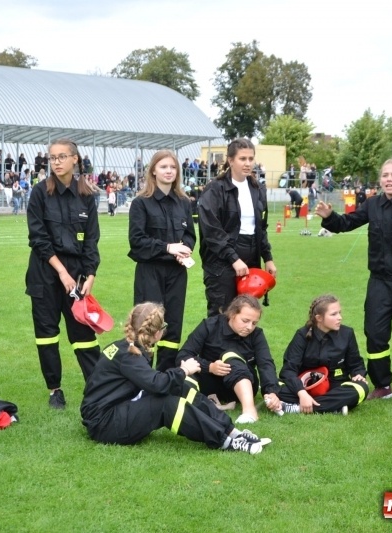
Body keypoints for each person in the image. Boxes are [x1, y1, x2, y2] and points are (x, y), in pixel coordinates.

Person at [315, 159, 392, 410]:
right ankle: (383, 385)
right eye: (385, 175)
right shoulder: (372, 205)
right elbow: (347, 223)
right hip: (379, 282)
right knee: (375, 334)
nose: (389, 180)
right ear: (380, 180)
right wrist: (330, 217)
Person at [81, 302, 266, 455]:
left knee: (180, 387)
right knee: (167, 403)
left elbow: (156, 383)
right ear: (158, 332)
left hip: (114, 410)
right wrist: (183, 370)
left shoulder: (129, 347)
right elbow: (157, 384)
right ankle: (225, 441)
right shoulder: (130, 354)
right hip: (103, 423)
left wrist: (180, 376)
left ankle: (232, 431)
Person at [26, 138, 102, 409]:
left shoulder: (87, 196)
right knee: (47, 334)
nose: (56, 162)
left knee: (83, 334)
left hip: (78, 278)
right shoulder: (39, 193)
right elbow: (38, 238)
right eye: (52, 157)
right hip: (45, 275)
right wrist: (61, 272)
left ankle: (97, 386)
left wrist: (90, 276)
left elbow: (91, 241)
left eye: (62, 156)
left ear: (75, 159)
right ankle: (54, 391)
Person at [128, 150, 195, 371]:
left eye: (173, 167)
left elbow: (190, 235)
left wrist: (185, 249)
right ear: (154, 171)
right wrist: (167, 247)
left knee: (172, 325)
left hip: (176, 272)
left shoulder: (184, 203)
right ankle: (143, 377)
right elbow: (137, 241)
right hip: (150, 271)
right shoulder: (141, 202)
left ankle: (166, 376)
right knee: (147, 324)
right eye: (164, 167)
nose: (169, 171)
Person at [198, 138, 276, 317]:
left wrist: (268, 258)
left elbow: (261, 228)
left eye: (251, 158)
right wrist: (233, 258)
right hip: (221, 262)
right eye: (242, 159)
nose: (248, 163)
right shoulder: (214, 190)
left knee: (246, 315)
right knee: (222, 316)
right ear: (231, 160)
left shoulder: (258, 190)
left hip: (251, 258)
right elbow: (212, 231)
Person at [176, 295, 283, 424]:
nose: (250, 327)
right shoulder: (210, 325)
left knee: (230, 355)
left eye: (254, 323)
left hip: (239, 387)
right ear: (232, 314)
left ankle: (249, 411)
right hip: (209, 383)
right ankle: (197, 406)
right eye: (245, 320)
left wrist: (271, 392)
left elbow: (266, 364)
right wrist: (209, 367)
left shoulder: (257, 335)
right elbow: (183, 356)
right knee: (183, 375)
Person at [277, 294, 369, 414]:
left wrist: (358, 374)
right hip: (305, 387)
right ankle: (335, 406)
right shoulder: (302, 335)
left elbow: (356, 363)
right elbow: (288, 370)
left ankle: (297, 408)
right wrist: (302, 393)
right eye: (334, 314)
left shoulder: (347, 333)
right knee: (275, 387)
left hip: (335, 386)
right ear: (319, 318)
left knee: (361, 388)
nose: (340, 317)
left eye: (339, 312)